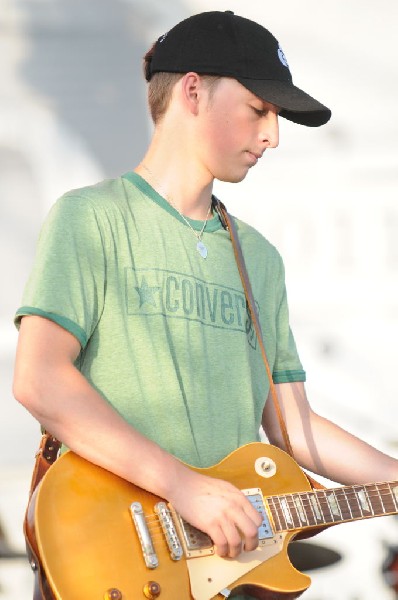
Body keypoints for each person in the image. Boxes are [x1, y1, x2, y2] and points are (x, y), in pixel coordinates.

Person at [13, 10, 398, 600]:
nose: (272, 135)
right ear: (192, 90)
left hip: (215, 574)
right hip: (110, 556)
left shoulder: (258, 259)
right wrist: (182, 485)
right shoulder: (92, 218)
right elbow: (40, 379)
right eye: (259, 109)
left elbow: (292, 426)